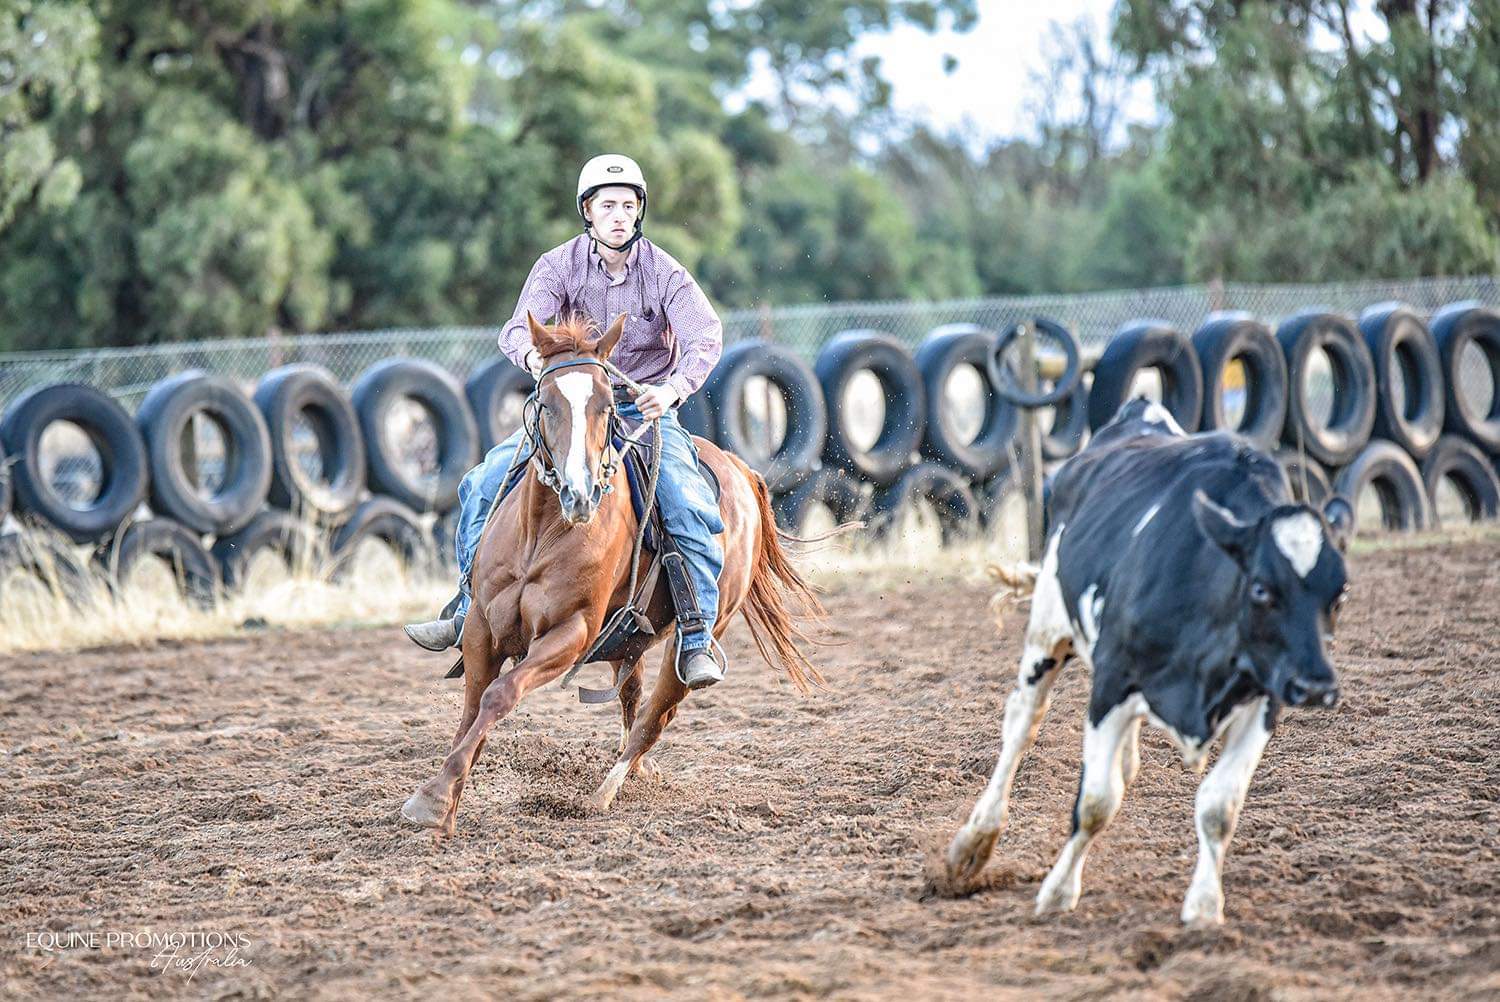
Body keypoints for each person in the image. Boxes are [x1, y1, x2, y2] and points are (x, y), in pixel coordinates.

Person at [403, 154, 728, 690]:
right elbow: (516, 328)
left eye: (629, 205)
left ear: (639, 211)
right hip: (571, 408)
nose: (619, 215)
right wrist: (535, 359)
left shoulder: (665, 272)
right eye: (608, 205)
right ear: (588, 211)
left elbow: (706, 335)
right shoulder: (558, 265)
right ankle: (466, 607)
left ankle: (696, 636)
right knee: (482, 482)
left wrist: (671, 390)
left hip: (640, 410)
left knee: (688, 503)